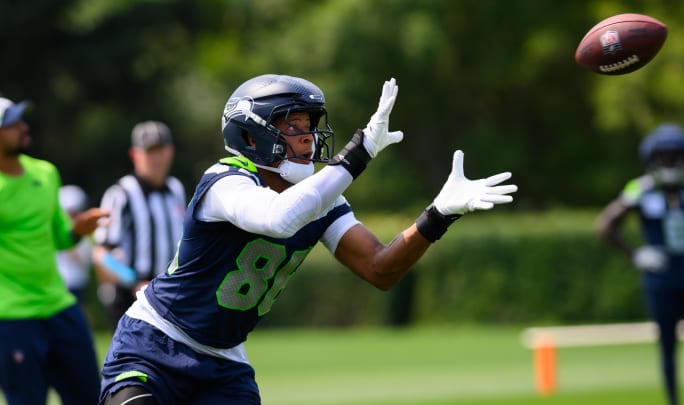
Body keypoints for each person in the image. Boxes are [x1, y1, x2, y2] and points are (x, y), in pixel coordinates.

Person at [98, 74, 518, 404]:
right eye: (292, 126)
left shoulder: (322, 200)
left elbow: (380, 268)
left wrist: (437, 215)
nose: (308, 138)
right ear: (251, 136)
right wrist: (361, 150)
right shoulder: (224, 181)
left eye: (309, 126)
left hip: (224, 359)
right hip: (155, 342)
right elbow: (279, 219)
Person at [596, 123, 684, 405]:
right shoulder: (640, 189)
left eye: (674, 155)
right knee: (668, 344)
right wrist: (635, 254)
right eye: (663, 156)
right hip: (659, 276)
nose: (669, 161)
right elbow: (605, 225)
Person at [0, 96, 109, 404]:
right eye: (12, 124)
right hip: (10, 318)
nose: (23, 127)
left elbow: (60, 237)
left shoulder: (45, 174)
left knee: (92, 397)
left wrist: (78, 230)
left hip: (59, 306)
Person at [93, 120, 186, 330]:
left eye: (160, 150)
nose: (156, 158)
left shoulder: (176, 189)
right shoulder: (121, 193)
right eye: (149, 151)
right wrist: (133, 280)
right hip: (132, 298)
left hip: (171, 295)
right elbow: (100, 254)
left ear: (170, 151)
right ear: (135, 154)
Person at [57, 184, 94, 307]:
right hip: (58, 285)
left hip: (75, 284)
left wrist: (68, 241)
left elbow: (81, 261)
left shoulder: (83, 233)